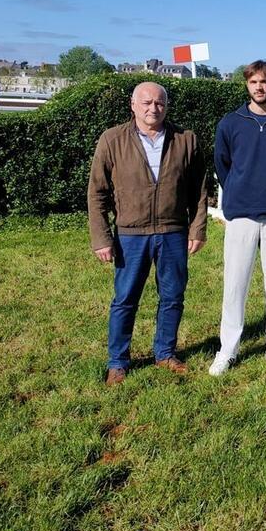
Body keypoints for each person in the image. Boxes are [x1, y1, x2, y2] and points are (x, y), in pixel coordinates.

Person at [87, 81, 207, 386]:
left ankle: (165, 352)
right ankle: (118, 361)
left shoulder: (186, 139)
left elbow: (199, 191)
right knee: (125, 299)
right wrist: (101, 237)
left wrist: (198, 228)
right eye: (146, 103)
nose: (153, 109)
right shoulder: (112, 140)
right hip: (130, 235)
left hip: (173, 232)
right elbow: (97, 193)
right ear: (133, 105)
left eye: (159, 103)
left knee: (172, 296)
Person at [208, 60, 266, 376]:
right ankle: (228, 349)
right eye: (253, 83)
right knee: (235, 285)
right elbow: (223, 165)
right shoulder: (230, 123)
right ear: (246, 85)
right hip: (242, 215)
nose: (259, 87)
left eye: (264, 82)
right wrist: (238, 189)